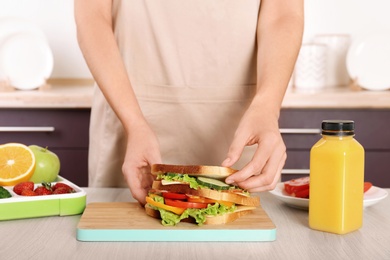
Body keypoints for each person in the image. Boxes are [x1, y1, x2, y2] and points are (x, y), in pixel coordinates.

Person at [75, 0, 304, 205]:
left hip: (241, 127)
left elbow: (283, 13)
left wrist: (266, 107)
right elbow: (92, 16)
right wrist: (133, 122)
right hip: (130, 119)